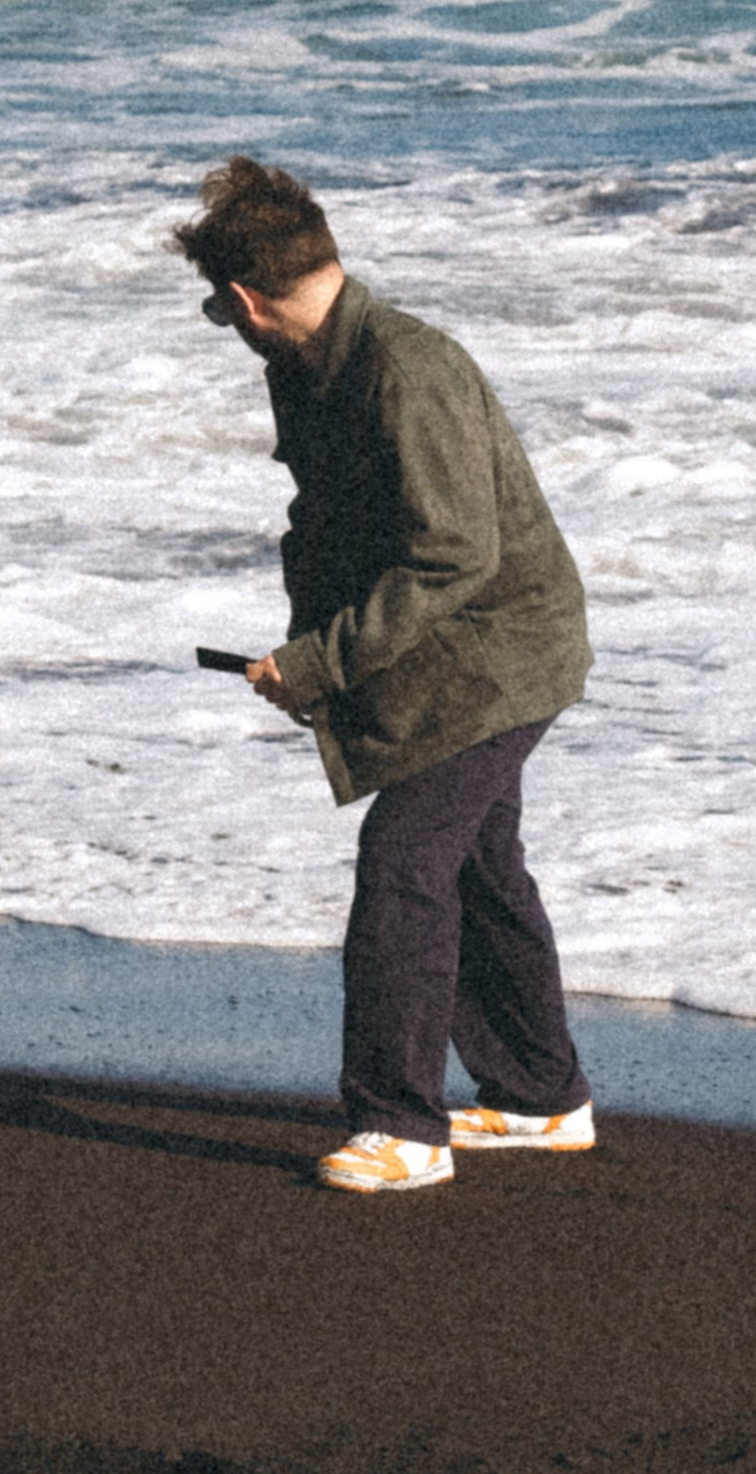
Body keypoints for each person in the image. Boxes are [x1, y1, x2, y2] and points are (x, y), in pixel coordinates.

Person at [175, 155, 596, 1194]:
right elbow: (328, 524)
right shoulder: (306, 364)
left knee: (405, 863)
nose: (225, 325)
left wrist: (320, 663)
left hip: (504, 653)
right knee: (479, 865)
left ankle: (402, 1128)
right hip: (442, 651)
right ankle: (542, 1097)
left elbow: (455, 556)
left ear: (244, 299)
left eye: (219, 308)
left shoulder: (408, 369)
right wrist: (307, 656)